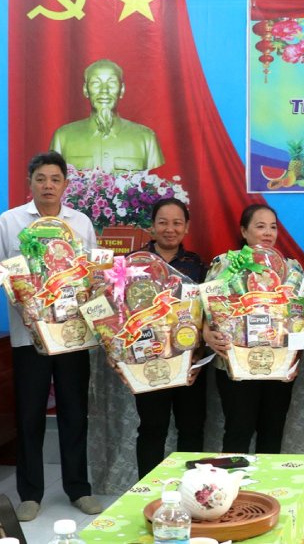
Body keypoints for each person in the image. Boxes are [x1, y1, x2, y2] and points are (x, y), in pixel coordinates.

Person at [0, 151, 103, 521]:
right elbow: (3, 273)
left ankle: (79, 489)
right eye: (41, 178)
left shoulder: (81, 223)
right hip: (30, 337)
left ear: (65, 184)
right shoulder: (9, 222)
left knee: (75, 412)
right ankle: (30, 493)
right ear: (30, 182)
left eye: (55, 179)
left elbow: (93, 277)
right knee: (30, 413)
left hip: (73, 335)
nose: (48, 185)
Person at [203, 204, 298, 455]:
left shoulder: (291, 268)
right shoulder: (226, 264)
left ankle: (265, 492)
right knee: (238, 430)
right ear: (244, 231)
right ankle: (232, 492)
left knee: (273, 431)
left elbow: (302, 313)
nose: (268, 232)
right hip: (234, 363)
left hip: (278, 363)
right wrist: (205, 332)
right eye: (260, 226)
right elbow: (203, 307)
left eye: (273, 227)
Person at [130, 198, 207, 478]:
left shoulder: (197, 266)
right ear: (152, 227)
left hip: (189, 363)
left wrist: (198, 357)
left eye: (177, 223)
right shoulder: (134, 265)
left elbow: (208, 314)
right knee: (152, 427)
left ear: (186, 227)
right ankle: (146, 493)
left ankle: (195, 491)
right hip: (148, 362)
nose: (169, 229)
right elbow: (120, 315)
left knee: (192, 428)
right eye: (163, 222)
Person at [49, 59, 164, 172]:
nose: (104, 90)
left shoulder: (146, 138)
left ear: (122, 90)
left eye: (112, 83)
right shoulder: (63, 137)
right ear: (85, 90)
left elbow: (156, 185)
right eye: (96, 83)